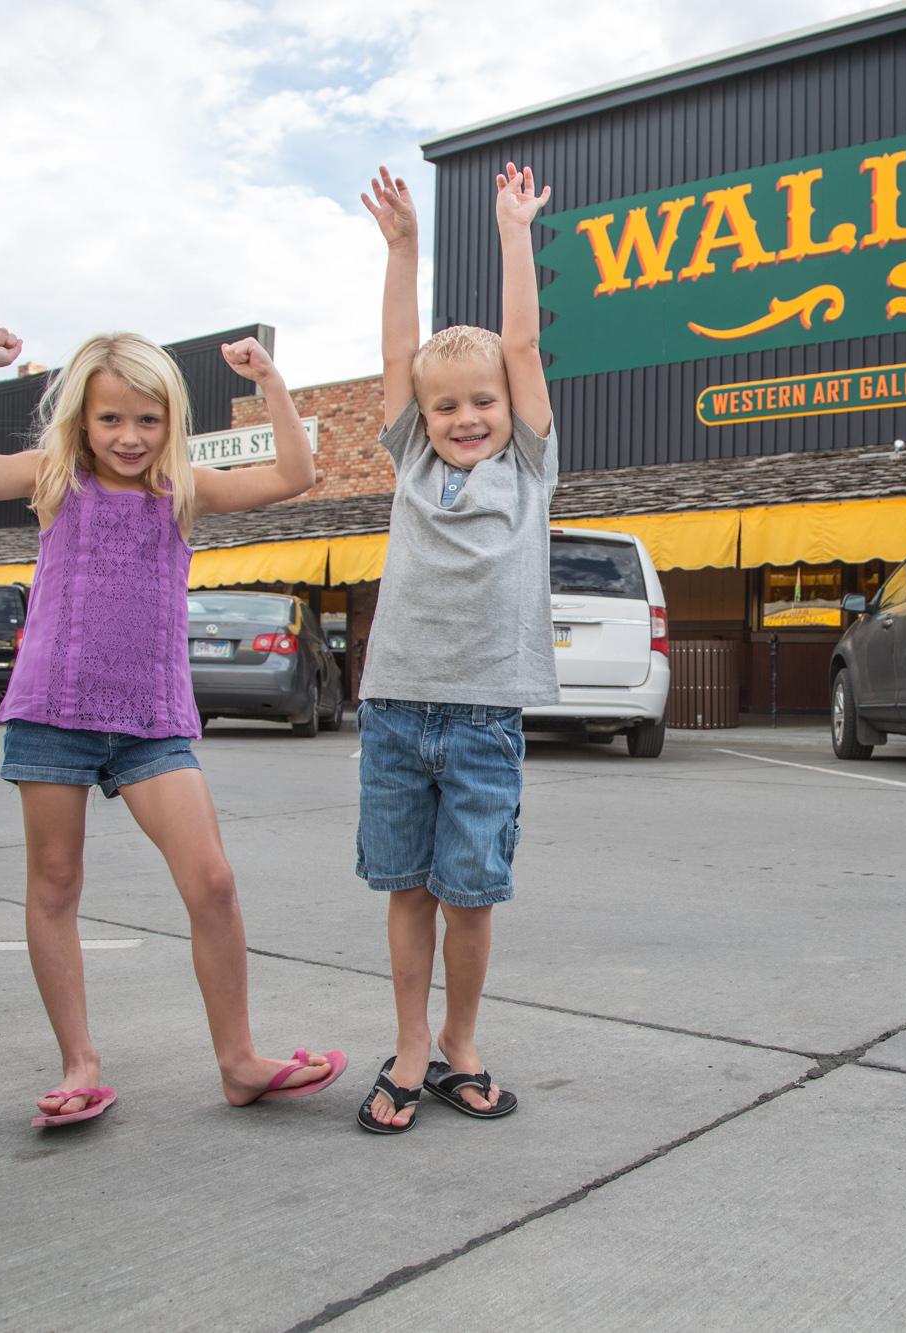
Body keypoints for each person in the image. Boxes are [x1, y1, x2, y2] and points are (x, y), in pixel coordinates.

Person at [0, 326, 348, 1128]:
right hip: (53, 711)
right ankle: (79, 1063)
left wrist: (272, 385)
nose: (129, 437)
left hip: (151, 721)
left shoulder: (182, 489)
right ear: (82, 419)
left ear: (171, 421)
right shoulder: (54, 478)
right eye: (111, 419)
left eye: (148, 420)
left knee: (212, 882)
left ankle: (240, 1062)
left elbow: (295, 474)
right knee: (55, 885)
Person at [352, 161, 556, 1133]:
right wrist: (403, 247)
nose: (466, 417)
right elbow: (399, 352)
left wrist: (513, 232)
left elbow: (520, 343)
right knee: (406, 891)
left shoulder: (529, 464)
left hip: (483, 719)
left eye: (482, 401)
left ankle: (459, 1043)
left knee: (468, 897)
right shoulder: (409, 458)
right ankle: (407, 1046)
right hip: (396, 707)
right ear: (421, 417)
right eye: (445, 407)